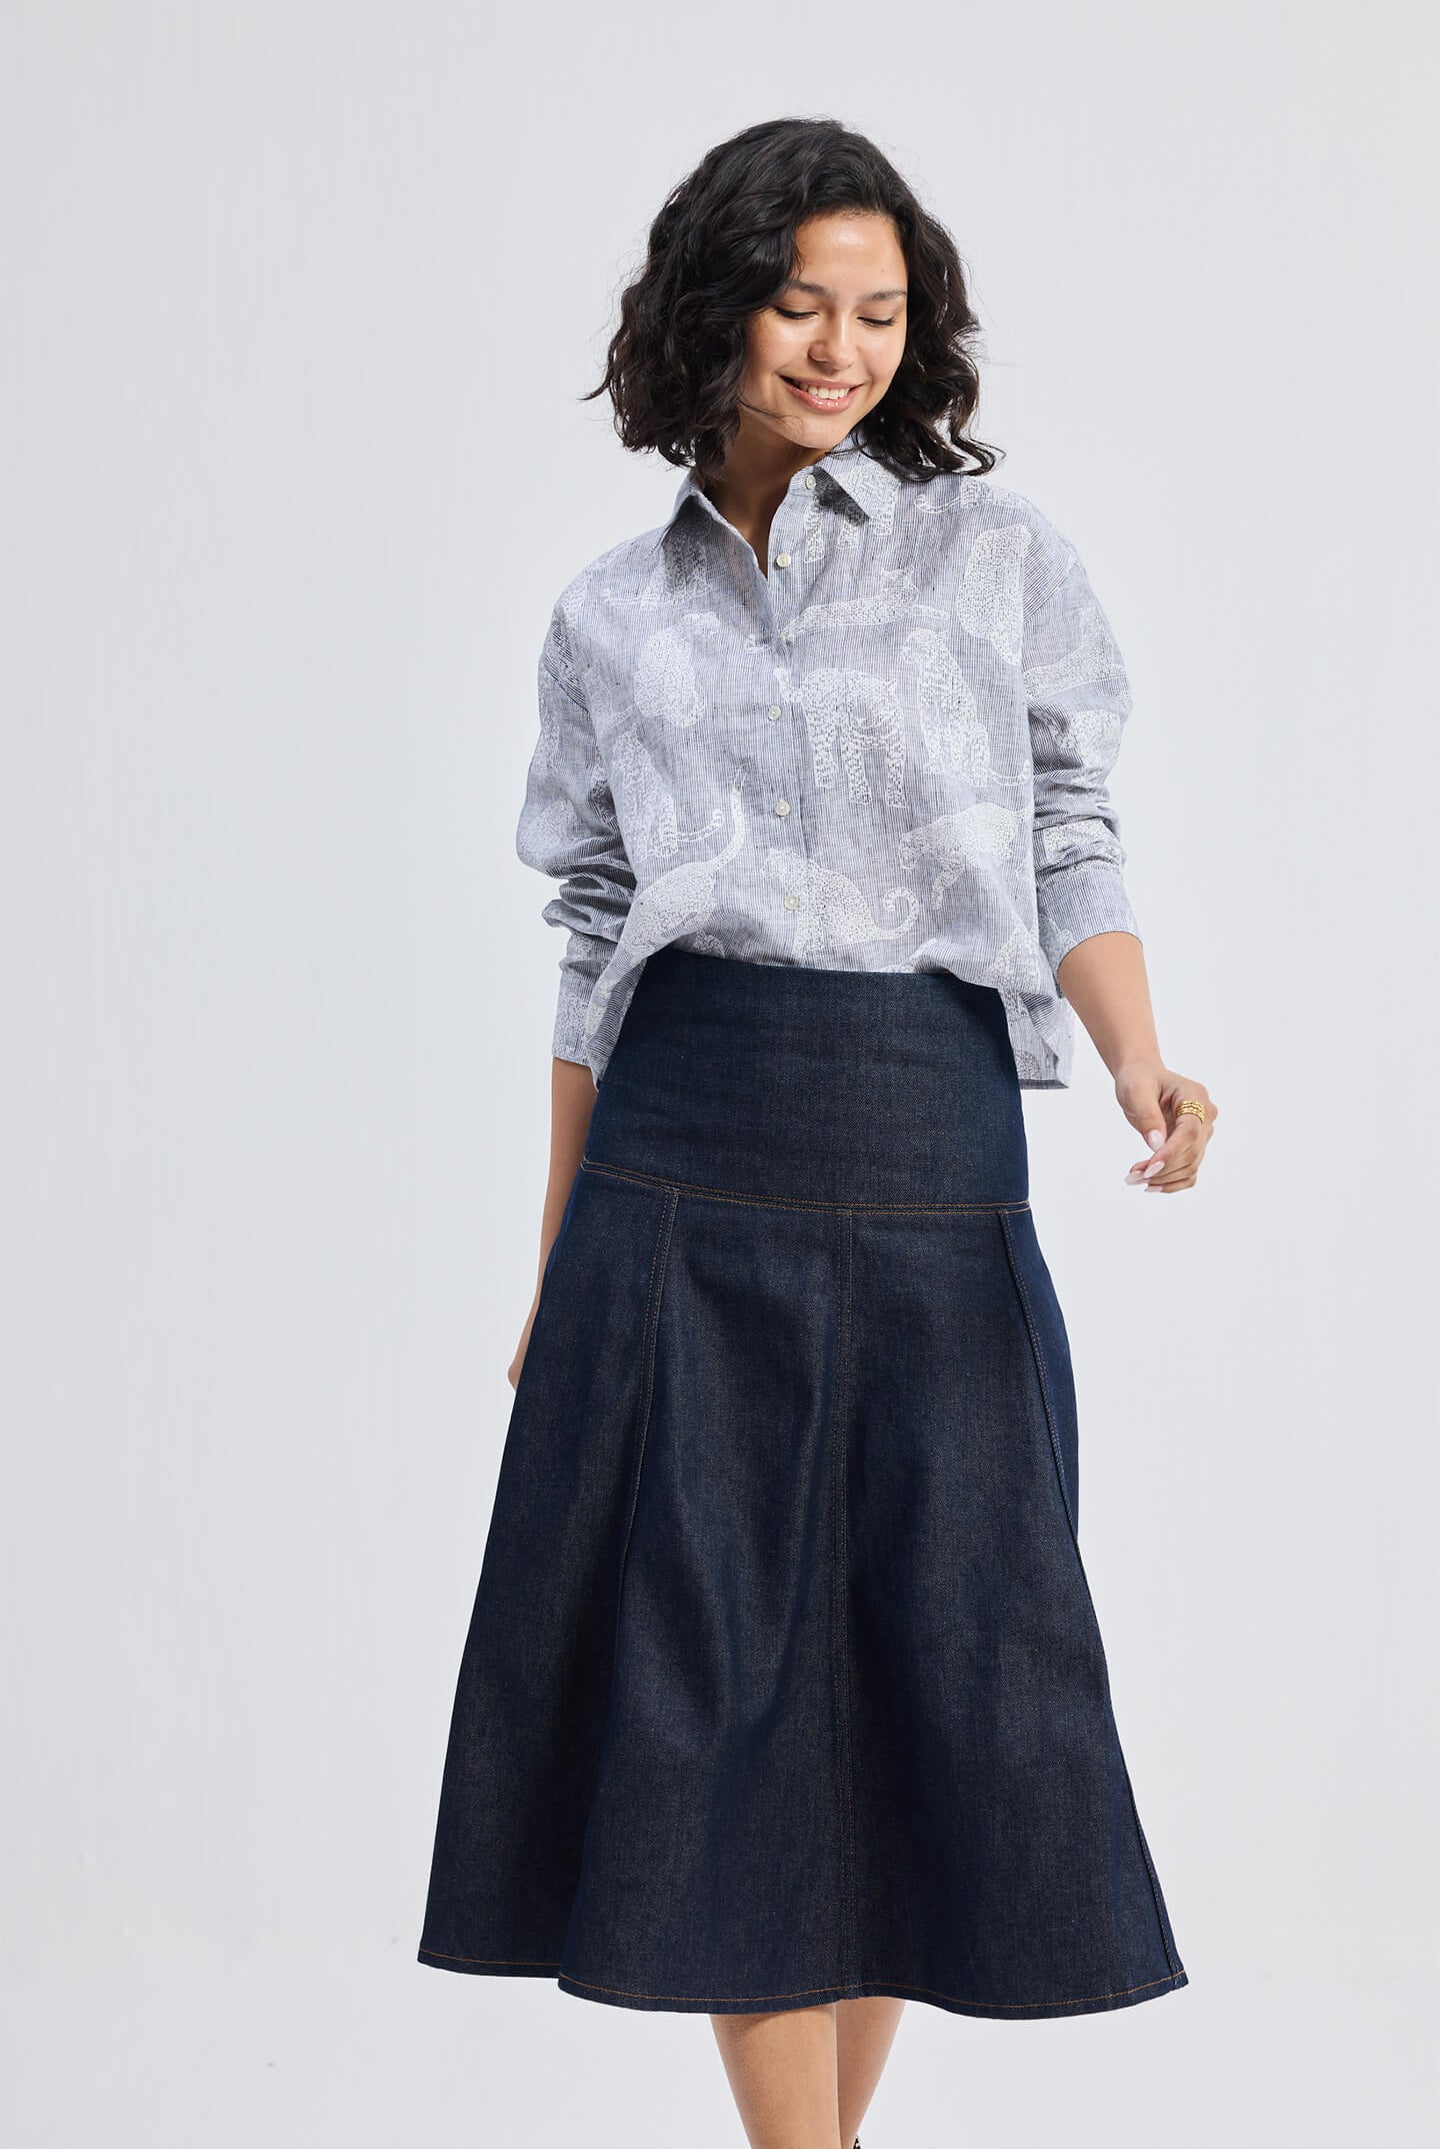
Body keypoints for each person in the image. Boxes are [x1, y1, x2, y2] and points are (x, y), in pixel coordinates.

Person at [417, 115, 1216, 2149]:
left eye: (879, 313)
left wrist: (1138, 1055)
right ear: (716, 312)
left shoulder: (1000, 556)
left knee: (918, 1694)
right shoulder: (610, 614)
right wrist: (553, 1256)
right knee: (718, 1709)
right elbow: (595, 943)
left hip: (937, 1154)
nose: (841, 349)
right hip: (681, 1164)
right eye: (801, 306)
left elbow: (1072, 831)